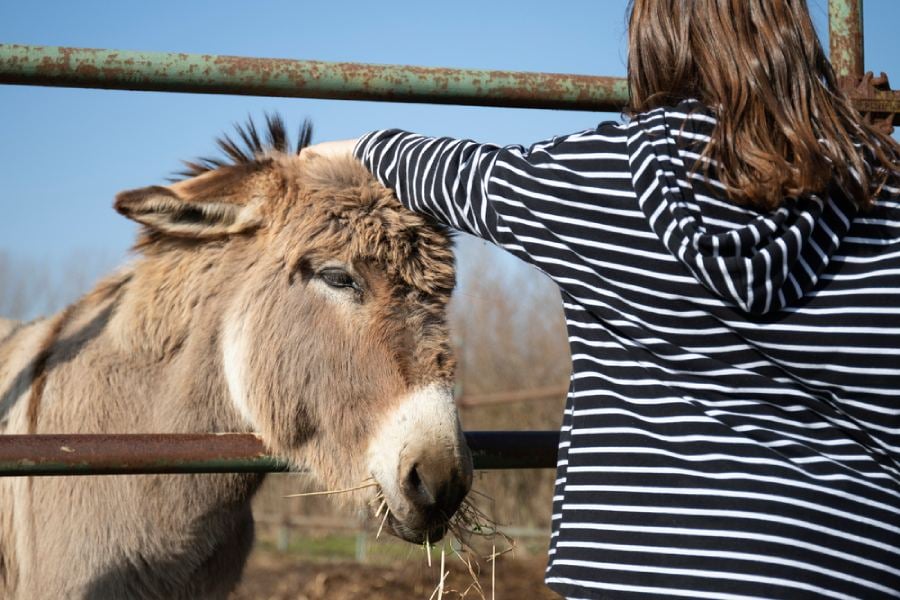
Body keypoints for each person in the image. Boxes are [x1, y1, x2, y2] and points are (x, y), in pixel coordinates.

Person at [307, 0, 900, 597]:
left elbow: (464, 174)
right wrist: (849, 138)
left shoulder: (604, 176)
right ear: (795, 42)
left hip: (632, 574)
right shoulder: (882, 197)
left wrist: (353, 150)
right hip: (849, 569)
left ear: (655, 46)